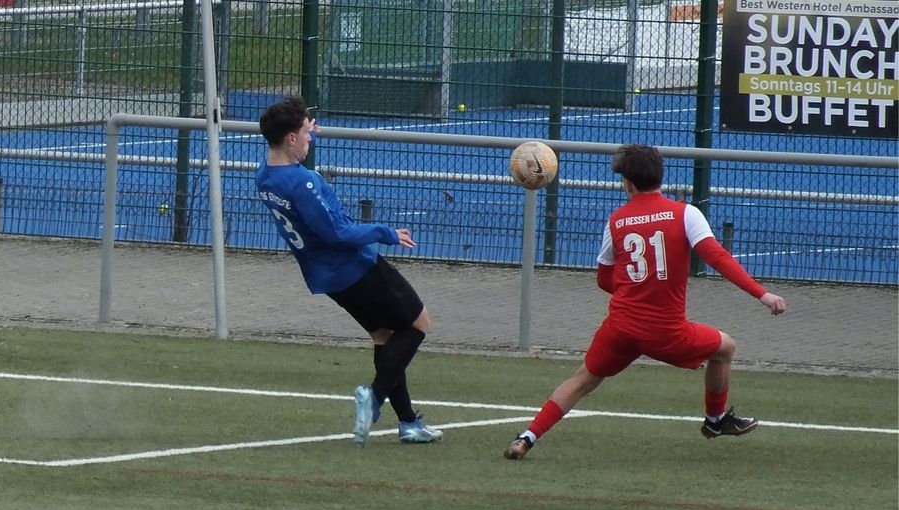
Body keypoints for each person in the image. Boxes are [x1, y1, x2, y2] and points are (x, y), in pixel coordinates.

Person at [504, 143, 786, 460]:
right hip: (667, 333)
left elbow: (604, 279)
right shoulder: (686, 214)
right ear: (661, 176)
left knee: (582, 380)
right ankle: (716, 420)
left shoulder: (617, 221)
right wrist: (762, 294)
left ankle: (527, 437)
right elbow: (716, 257)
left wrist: (635, 292)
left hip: (620, 328)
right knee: (725, 348)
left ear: (628, 183)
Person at [255, 97, 442, 446]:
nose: (310, 137)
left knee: (384, 336)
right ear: (291, 139)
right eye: (304, 133)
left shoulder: (265, 176)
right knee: (418, 324)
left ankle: (408, 422)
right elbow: (338, 233)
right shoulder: (302, 183)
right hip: (356, 267)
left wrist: (306, 131)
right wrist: (385, 232)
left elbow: (291, 160)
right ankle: (373, 398)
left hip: (327, 277)